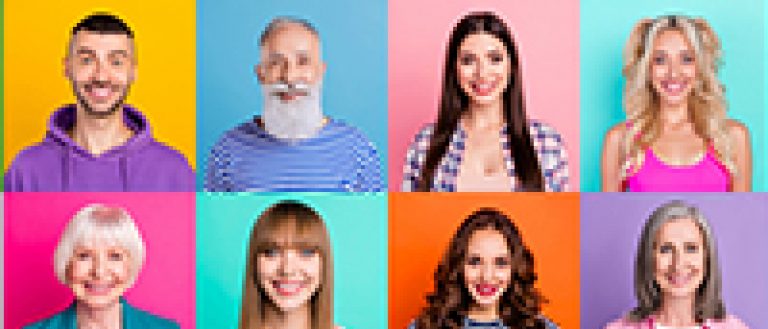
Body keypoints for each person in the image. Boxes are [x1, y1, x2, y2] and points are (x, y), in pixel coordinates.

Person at [196, 200, 386, 329]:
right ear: (254, 263)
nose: (287, 269)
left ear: (323, 264)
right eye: (271, 252)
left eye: (306, 253)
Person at [5, 13, 194, 192]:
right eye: (87, 60)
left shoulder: (175, 172)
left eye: (116, 62)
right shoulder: (25, 170)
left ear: (133, 71)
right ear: (67, 68)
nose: (101, 76)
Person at [8, 203, 191, 329]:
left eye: (115, 256)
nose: (99, 271)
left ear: (131, 266)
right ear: (67, 264)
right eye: (84, 256)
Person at [589, 201, 761, 329]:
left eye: (691, 248)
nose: (678, 264)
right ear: (649, 259)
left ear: (707, 258)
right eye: (666, 249)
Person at [205, 17, 382, 192]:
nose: (290, 77)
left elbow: (372, 220)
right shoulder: (226, 151)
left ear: (320, 71)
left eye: (303, 61)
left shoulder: (358, 150)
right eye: (276, 63)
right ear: (261, 74)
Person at [401, 12, 569, 192]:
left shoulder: (547, 143)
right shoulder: (425, 144)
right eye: (468, 60)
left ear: (511, 66)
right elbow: (409, 218)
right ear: (454, 69)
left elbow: (558, 218)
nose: (482, 73)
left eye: (495, 59)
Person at [402, 207, 564, 329]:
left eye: (501, 263)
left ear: (515, 269)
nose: (487, 276)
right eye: (475, 262)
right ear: (459, 266)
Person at [602, 15, 751, 192]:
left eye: (686, 59)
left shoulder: (733, 138)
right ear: (647, 69)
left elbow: (743, 216)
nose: (673, 73)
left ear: (700, 68)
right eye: (660, 60)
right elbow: (608, 217)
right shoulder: (620, 140)